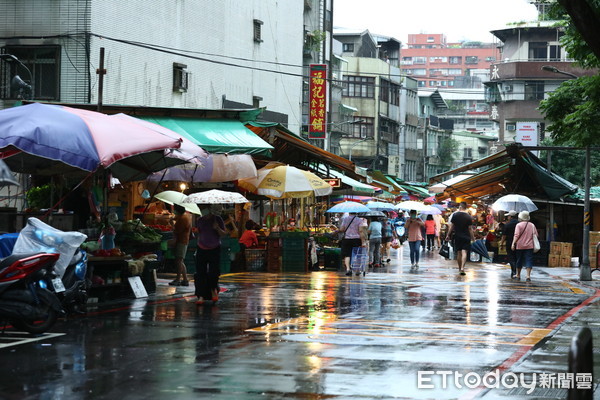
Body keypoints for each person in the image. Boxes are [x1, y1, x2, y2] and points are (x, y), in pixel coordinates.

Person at [194, 204, 227, 304]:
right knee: (200, 273)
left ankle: (214, 291)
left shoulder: (217, 219)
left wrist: (217, 228)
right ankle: (201, 296)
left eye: (203, 208)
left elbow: (223, 234)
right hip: (201, 248)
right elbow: (199, 233)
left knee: (214, 272)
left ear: (208, 209)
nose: (202, 210)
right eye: (200, 209)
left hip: (215, 248)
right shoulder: (199, 220)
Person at [445, 202, 475, 275]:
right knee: (464, 252)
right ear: (465, 208)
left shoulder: (455, 215)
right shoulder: (468, 216)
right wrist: (473, 238)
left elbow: (452, 226)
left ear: (460, 207)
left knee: (459, 252)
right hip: (466, 236)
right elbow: (470, 229)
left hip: (457, 236)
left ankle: (459, 268)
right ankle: (462, 268)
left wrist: (448, 235)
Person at [168, 204, 192, 287]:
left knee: (179, 261)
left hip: (181, 241)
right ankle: (185, 280)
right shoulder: (184, 217)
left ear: (177, 211)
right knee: (180, 261)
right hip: (183, 241)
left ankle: (178, 279)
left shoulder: (182, 219)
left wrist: (172, 224)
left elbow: (177, 231)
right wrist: (173, 218)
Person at [511, 211, 538, 282]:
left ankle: (518, 275)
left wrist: (513, 243)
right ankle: (528, 276)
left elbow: (516, 235)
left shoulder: (518, 225)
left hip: (520, 246)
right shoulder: (532, 225)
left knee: (519, 260)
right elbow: (536, 235)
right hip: (529, 246)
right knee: (529, 260)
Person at [500, 210, 518, 278]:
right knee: (517, 257)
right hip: (519, 243)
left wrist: (501, 243)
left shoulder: (507, 225)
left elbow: (504, 236)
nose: (507, 217)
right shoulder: (519, 224)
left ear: (510, 217)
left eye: (508, 216)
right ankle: (517, 272)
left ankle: (513, 272)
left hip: (510, 242)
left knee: (511, 257)